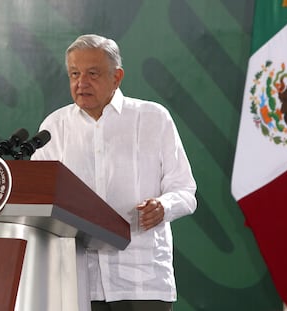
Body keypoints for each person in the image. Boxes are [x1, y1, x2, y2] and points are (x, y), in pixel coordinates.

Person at [32, 34, 197, 311]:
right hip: (76, 281)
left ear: (117, 77)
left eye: (92, 74)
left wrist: (163, 206)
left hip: (142, 280)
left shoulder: (153, 118)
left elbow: (185, 191)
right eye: (74, 74)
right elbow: (37, 194)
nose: (81, 83)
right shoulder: (54, 126)